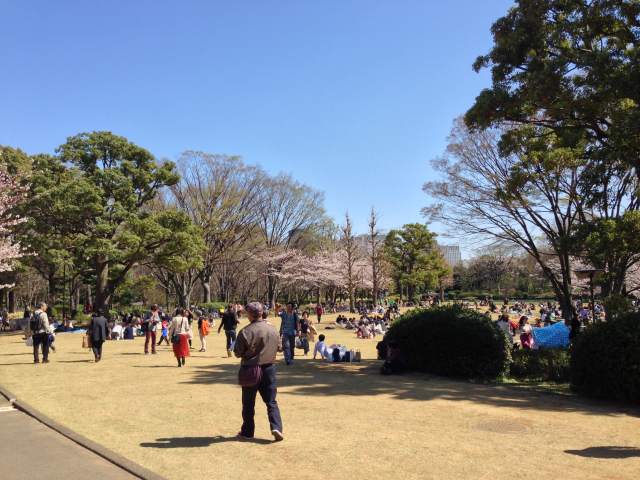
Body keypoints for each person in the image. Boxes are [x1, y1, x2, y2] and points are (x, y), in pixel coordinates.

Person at [234, 302, 283, 442]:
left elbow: (237, 352)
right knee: (271, 401)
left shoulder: (245, 331)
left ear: (250, 314)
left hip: (251, 369)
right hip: (269, 368)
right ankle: (277, 427)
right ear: (262, 313)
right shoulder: (272, 328)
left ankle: (247, 432)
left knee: (248, 403)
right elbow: (279, 348)